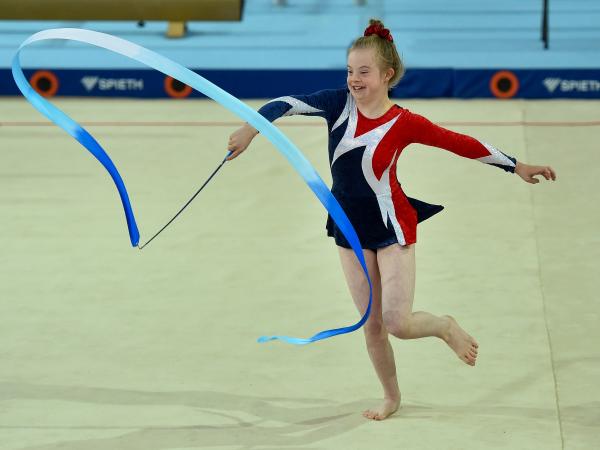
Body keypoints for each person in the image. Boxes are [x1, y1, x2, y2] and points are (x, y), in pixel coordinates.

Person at [226, 19, 557, 421]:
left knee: (397, 322)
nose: (354, 80)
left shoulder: (406, 123)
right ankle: (391, 396)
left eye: (364, 72)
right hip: (348, 225)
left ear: (388, 75)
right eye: (349, 71)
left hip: (391, 223)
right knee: (372, 326)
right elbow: (285, 103)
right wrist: (250, 129)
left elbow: (460, 143)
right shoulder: (336, 104)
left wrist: (516, 165)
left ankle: (443, 327)